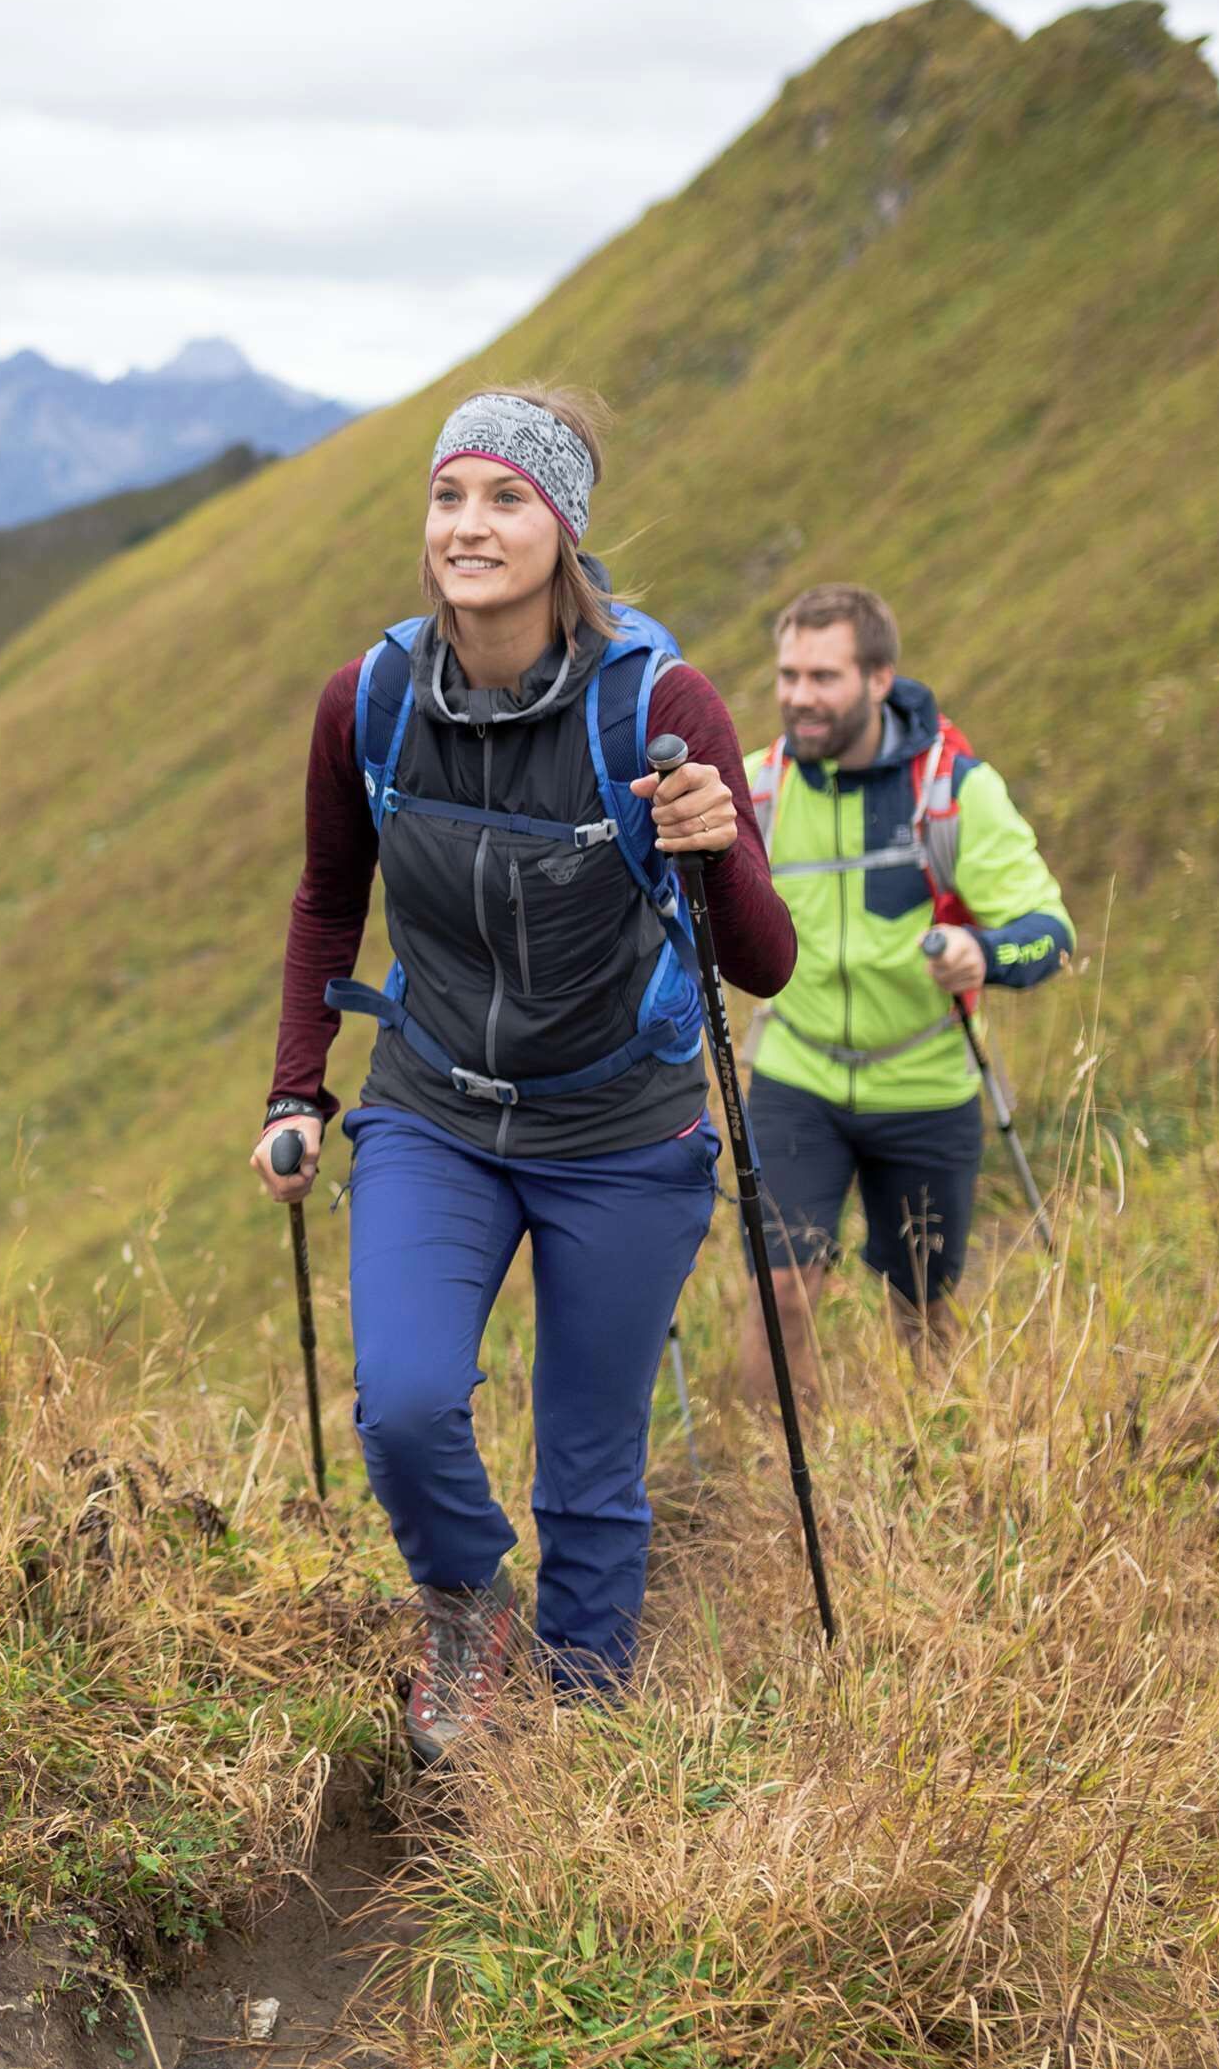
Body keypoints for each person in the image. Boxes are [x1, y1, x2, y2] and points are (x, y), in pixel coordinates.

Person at [250, 386, 793, 1767]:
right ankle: (471, 1609)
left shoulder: (661, 706)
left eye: (507, 500)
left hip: (623, 1128)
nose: (470, 526)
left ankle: (585, 1745)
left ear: (565, 529)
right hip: (435, 1108)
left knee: (590, 1465)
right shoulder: (366, 701)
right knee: (410, 1402)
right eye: (450, 496)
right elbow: (328, 897)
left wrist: (719, 843)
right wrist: (296, 1091)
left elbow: (765, 963)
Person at [732, 584, 1074, 1413]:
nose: (799, 697)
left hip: (927, 1083)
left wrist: (981, 952)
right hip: (797, 1075)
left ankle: (929, 1462)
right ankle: (773, 1486)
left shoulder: (954, 792)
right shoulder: (757, 791)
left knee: (922, 1308)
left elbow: (1050, 934)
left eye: (824, 676)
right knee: (780, 1294)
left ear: (880, 678)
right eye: (788, 675)